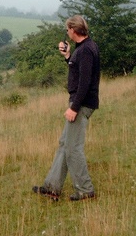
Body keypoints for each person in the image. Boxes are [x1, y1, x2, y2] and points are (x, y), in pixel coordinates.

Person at [33, 15, 100, 202]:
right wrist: (68, 56)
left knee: (73, 148)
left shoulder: (86, 50)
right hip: (80, 102)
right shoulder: (84, 48)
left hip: (81, 104)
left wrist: (74, 107)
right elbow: (79, 72)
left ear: (73, 29)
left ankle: (85, 190)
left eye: (67, 29)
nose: (67, 32)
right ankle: (52, 188)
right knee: (65, 144)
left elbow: (85, 82)